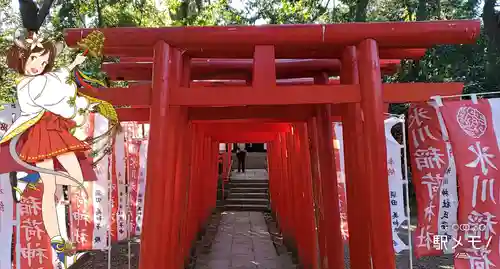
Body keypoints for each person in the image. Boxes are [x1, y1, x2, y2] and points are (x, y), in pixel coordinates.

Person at [0, 32, 102, 267]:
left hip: (55, 130)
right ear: (22, 58)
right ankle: (58, 242)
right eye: (34, 59)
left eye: (44, 61)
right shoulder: (27, 84)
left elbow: (60, 81)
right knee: (51, 188)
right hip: (42, 133)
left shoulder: (45, 79)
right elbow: (55, 95)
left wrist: (75, 64)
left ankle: (29, 178)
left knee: (69, 182)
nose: (38, 66)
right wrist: (76, 102)